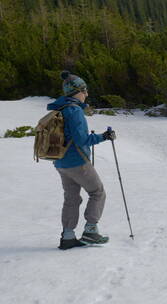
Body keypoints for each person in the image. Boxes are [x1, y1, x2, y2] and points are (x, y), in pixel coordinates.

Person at [47, 71, 116, 250]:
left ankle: (68, 236)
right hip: (77, 161)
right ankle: (91, 231)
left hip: (61, 163)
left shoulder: (59, 108)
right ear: (77, 91)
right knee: (97, 192)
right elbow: (81, 140)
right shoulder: (75, 110)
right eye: (84, 91)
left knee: (71, 198)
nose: (86, 94)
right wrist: (104, 136)